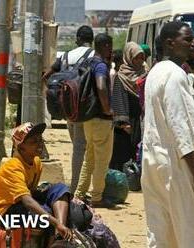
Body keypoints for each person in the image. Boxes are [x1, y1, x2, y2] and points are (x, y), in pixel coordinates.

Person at [141, 21, 194, 247]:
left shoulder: (157, 72)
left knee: (162, 230)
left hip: (156, 161)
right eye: (188, 40)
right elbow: (180, 127)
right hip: (178, 165)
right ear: (170, 43)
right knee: (192, 230)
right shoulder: (174, 75)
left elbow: (187, 108)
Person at [0, 122, 72, 243]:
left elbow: (32, 191)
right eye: (34, 141)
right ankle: (55, 240)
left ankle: (59, 235)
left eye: (40, 140)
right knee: (46, 217)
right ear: (21, 146)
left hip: (22, 205)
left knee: (60, 188)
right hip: (6, 214)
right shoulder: (12, 167)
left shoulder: (36, 162)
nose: (40, 144)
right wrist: (54, 222)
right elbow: (27, 200)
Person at [44, 25, 95, 194]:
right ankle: (75, 187)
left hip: (68, 109)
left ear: (77, 39)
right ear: (92, 40)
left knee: (78, 145)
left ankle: (79, 184)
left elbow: (46, 77)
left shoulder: (65, 56)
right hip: (85, 109)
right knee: (82, 147)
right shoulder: (94, 55)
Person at [74, 33, 114, 208]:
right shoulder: (100, 66)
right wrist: (107, 109)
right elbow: (100, 85)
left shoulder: (87, 62)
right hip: (100, 119)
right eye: (110, 47)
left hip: (88, 119)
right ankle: (97, 197)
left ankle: (80, 193)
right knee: (102, 160)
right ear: (105, 46)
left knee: (89, 157)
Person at [110, 42, 146, 170]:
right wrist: (123, 122)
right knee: (124, 152)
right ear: (129, 57)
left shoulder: (145, 74)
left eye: (142, 57)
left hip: (141, 119)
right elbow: (119, 99)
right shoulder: (121, 76)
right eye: (137, 57)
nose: (140, 60)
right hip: (127, 122)